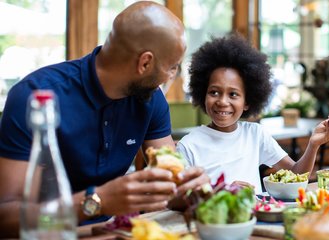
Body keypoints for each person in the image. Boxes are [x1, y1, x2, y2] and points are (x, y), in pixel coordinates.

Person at [0, 1, 209, 237]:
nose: (172, 76)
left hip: (109, 232)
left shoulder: (150, 100)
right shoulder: (35, 98)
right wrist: (97, 201)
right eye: (173, 67)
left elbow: (172, 183)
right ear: (145, 62)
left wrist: (187, 189)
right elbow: (6, 217)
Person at [176, 34, 329, 192]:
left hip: (257, 218)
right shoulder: (189, 145)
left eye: (233, 94)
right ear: (203, 94)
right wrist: (221, 192)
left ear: (247, 102)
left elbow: (297, 174)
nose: (222, 102)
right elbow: (180, 197)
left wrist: (313, 145)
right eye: (214, 92)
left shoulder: (255, 135)